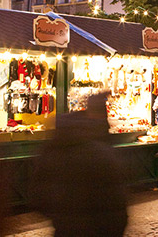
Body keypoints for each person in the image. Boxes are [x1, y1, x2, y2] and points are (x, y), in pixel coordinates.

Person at [31, 92, 128, 237]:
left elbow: (38, 194)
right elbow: (116, 197)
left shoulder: (53, 149)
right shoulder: (101, 151)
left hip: (67, 227)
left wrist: (59, 215)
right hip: (101, 227)